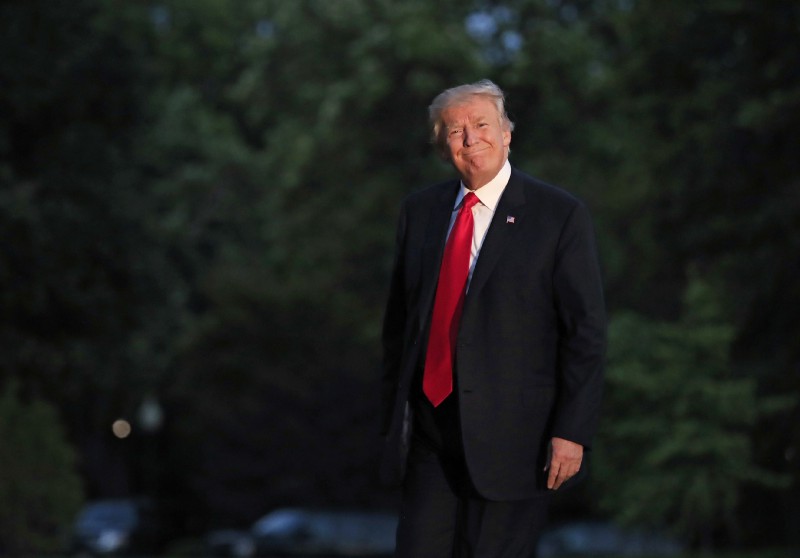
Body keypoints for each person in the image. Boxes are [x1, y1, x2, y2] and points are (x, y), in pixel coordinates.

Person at [379, 79, 606, 557]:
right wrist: (391, 418)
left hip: (516, 442)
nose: (469, 138)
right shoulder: (419, 212)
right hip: (429, 435)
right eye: (455, 129)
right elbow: (399, 325)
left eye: (481, 124)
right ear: (443, 145)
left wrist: (573, 431)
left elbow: (584, 332)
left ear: (507, 133)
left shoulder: (558, 214)